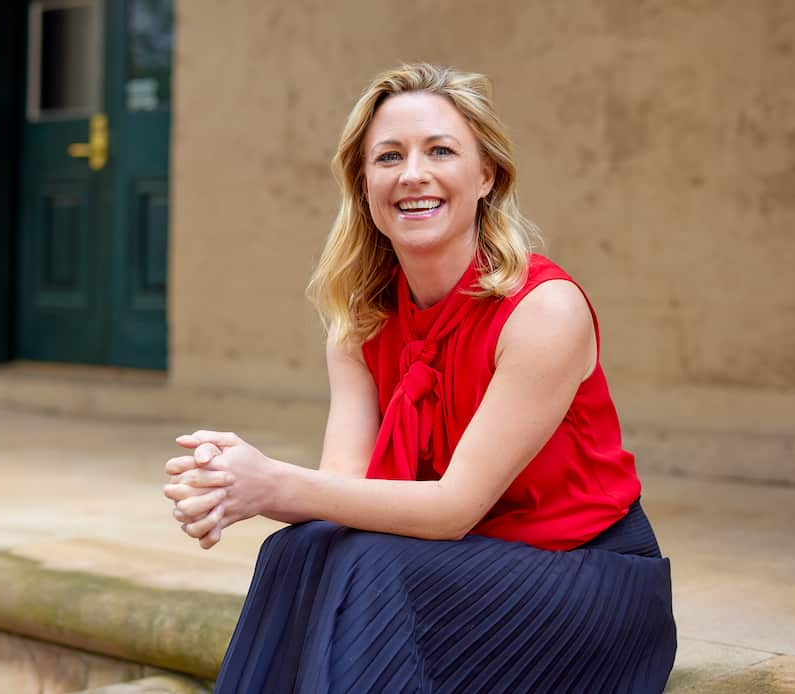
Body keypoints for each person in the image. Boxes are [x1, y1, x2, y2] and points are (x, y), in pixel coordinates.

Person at [163, 63, 677, 693]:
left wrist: (268, 485)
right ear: (363, 182)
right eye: (388, 156)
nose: (413, 174)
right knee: (298, 552)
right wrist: (226, 483)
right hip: (455, 569)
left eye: (440, 150)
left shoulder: (544, 311)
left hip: (586, 584)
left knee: (370, 565)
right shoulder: (360, 322)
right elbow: (342, 493)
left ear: (486, 175)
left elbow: (454, 510)